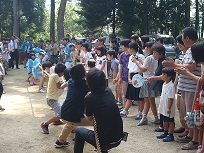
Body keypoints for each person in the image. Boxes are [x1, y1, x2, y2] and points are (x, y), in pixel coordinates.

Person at [162, 27, 201, 150]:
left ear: (187, 38)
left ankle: (195, 140)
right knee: (189, 114)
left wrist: (174, 65)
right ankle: (191, 135)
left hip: (191, 87)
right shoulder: (190, 50)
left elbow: (191, 67)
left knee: (192, 114)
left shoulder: (195, 49)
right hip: (186, 86)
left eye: (182, 36)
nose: (181, 39)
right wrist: (175, 66)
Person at [74, 68, 123, 153]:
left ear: (89, 82)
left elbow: (89, 118)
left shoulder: (89, 98)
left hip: (104, 141)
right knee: (103, 132)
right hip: (118, 137)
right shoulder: (109, 91)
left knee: (79, 131)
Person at [175, 42, 204, 153]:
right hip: (198, 93)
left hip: (198, 93)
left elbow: (201, 81)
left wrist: (186, 73)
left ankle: (197, 141)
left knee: (198, 118)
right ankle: (199, 143)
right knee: (197, 118)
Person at [54, 64, 91, 148]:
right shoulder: (86, 85)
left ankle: (60, 141)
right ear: (83, 76)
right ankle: (99, 143)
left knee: (70, 123)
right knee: (97, 122)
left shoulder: (70, 81)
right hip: (74, 116)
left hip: (64, 113)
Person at [132, 42, 158, 125]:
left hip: (147, 80)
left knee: (148, 100)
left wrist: (136, 62)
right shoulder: (154, 57)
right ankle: (152, 117)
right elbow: (147, 66)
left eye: (146, 48)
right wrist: (140, 61)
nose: (145, 49)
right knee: (150, 100)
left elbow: (143, 69)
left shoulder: (149, 58)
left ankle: (146, 118)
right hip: (152, 79)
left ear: (149, 48)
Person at [120, 42, 145, 117]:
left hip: (138, 76)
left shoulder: (141, 56)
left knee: (139, 96)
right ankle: (125, 110)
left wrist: (137, 78)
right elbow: (129, 69)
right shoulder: (131, 57)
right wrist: (129, 78)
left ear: (132, 49)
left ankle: (140, 113)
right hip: (132, 76)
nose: (128, 50)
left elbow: (142, 67)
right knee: (130, 95)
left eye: (129, 48)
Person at [40, 62, 66, 134]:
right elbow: (59, 87)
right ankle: (45, 124)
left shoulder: (53, 75)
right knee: (61, 113)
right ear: (61, 72)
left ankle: (56, 121)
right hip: (52, 99)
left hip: (51, 98)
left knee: (59, 110)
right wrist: (67, 83)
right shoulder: (56, 76)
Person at [147, 43, 167, 131]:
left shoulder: (164, 62)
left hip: (165, 86)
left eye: (155, 52)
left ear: (160, 53)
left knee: (164, 106)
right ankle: (162, 124)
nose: (153, 54)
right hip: (161, 86)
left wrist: (153, 78)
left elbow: (164, 76)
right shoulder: (159, 61)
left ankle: (163, 126)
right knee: (162, 106)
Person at [156, 68, 176, 142]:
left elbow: (171, 98)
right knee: (164, 120)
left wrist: (169, 108)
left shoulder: (171, 86)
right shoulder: (164, 84)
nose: (162, 76)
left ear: (169, 76)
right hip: (163, 106)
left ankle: (171, 135)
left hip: (168, 106)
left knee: (170, 121)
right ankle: (165, 132)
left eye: (164, 74)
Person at [117, 39, 131, 109]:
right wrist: (119, 77)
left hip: (131, 77)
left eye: (122, 46)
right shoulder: (122, 55)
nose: (121, 47)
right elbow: (120, 66)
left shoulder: (132, 55)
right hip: (124, 76)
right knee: (124, 94)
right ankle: (124, 108)